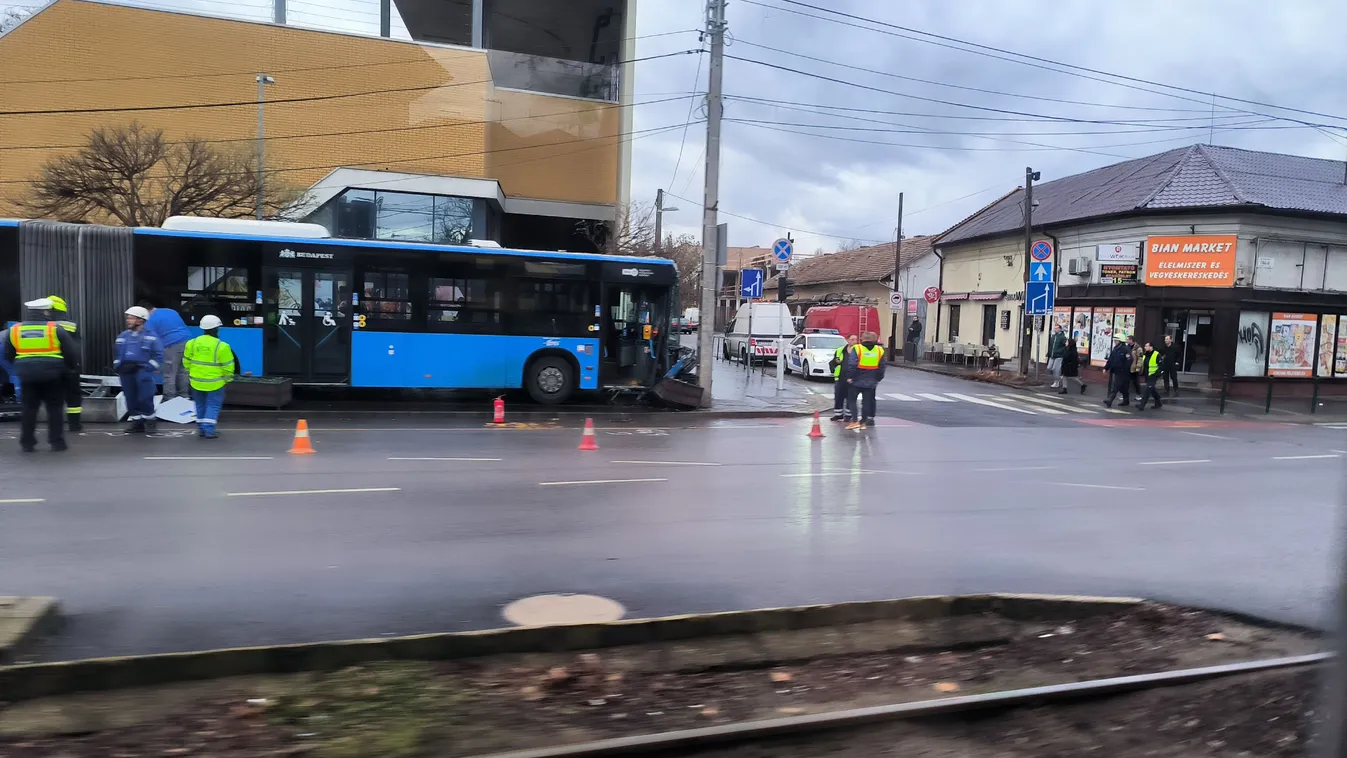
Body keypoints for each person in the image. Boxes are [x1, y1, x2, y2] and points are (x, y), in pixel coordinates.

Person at [1, 298, 79, 452]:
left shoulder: (15, 330)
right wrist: (69, 368)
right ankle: (57, 442)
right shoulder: (55, 329)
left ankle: (27, 443)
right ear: (45, 312)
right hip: (53, 376)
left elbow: (8, 354)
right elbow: (70, 352)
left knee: (29, 409)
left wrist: (20, 366)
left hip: (28, 376)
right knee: (54, 409)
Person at [183, 315, 236, 439]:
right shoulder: (222, 346)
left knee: (200, 404)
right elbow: (228, 367)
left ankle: (201, 429)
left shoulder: (192, 343)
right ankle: (209, 430)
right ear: (216, 329)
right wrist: (227, 379)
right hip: (215, 383)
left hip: (195, 381)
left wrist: (193, 373)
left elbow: (186, 362)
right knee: (213, 405)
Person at [115, 305, 163, 434]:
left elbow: (158, 356)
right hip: (126, 372)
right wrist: (118, 367)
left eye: (131, 318)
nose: (128, 321)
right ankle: (137, 423)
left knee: (145, 398)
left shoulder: (151, 336)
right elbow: (118, 354)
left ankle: (150, 420)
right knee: (130, 398)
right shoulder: (123, 336)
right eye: (128, 318)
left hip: (143, 371)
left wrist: (148, 368)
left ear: (140, 320)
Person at [38, 295, 83, 432]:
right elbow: (76, 347)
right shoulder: (72, 325)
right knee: (73, 396)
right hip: (70, 366)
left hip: (51, 366)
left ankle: (55, 425)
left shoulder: (44, 326)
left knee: (54, 396)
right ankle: (74, 424)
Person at [140, 300, 192, 402]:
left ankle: (169, 399)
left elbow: (150, 340)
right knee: (183, 372)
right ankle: (184, 397)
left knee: (169, 373)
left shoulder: (150, 320)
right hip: (188, 342)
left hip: (171, 344)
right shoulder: (170, 311)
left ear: (145, 311)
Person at [843, 331, 886, 431]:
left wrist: (850, 376)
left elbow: (852, 364)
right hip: (871, 380)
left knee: (852, 400)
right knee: (866, 402)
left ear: (862, 339)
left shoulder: (857, 348)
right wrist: (878, 378)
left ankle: (854, 421)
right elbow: (882, 366)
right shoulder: (880, 350)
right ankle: (863, 422)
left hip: (857, 379)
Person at [829, 334, 859, 422]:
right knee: (838, 397)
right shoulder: (840, 350)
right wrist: (835, 362)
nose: (854, 341)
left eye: (856, 339)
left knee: (851, 398)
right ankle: (838, 415)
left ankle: (848, 416)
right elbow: (833, 363)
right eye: (852, 339)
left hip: (853, 378)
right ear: (847, 340)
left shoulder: (859, 350)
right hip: (840, 378)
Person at [1103, 336, 1134, 408]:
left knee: (1116, 386)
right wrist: (1106, 368)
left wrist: (1124, 368)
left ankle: (1110, 400)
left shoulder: (1125, 349)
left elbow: (1129, 360)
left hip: (1123, 372)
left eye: (1116, 340)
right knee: (1123, 388)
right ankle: (1126, 400)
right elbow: (1111, 359)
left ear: (1120, 341)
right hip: (1116, 370)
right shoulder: (1115, 349)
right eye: (1114, 340)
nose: (1115, 342)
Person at [1136, 341, 1164, 411]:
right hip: (1147, 375)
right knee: (1152, 389)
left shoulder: (1156, 354)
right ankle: (1158, 402)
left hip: (1154, 375)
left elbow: (1161, 365)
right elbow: (1144, 365)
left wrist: (1157, 373)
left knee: (1147, 389)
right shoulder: (1145, 355)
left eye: (1146, 346)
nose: (1145, 347)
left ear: (1151, 347)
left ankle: (1142, 405)